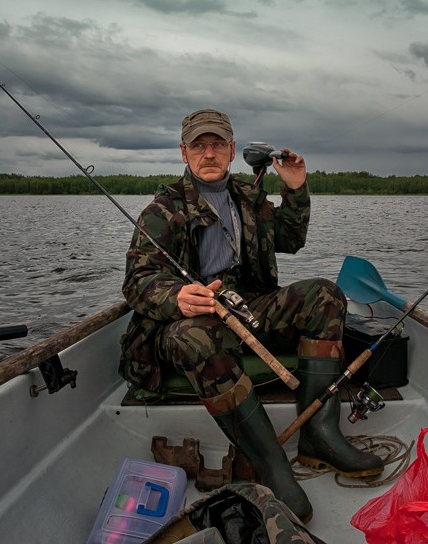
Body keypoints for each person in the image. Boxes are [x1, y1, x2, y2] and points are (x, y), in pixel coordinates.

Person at [120, 108, 383, 523]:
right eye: (199, 145)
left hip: (246, 310)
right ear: (183, 152)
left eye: (217, 144)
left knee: (326, 296)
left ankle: (319, 436)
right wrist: (177, 297)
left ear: (231, 150)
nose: (209, 153)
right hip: (182, 327)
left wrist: (296, 189)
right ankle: (271, 464)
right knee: (196, 336)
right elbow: (137, 281)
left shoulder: (247, 196)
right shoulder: (163, 208)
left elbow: (291, 239)